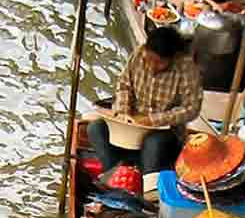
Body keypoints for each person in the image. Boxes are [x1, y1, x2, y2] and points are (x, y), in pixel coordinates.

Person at [87, 26, 203, 178]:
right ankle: (115, 174)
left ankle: (147, 184)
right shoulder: (138, 55)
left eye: (159, 62)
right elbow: (124, 85)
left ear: (172, 58)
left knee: (153, 143)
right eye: (150, 60)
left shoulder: (187, 68)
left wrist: (152, 120)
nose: (152, 66)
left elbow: (191, 108)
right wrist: (123, 112)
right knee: (95, 128)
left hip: (163, 130)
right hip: (131, 123)